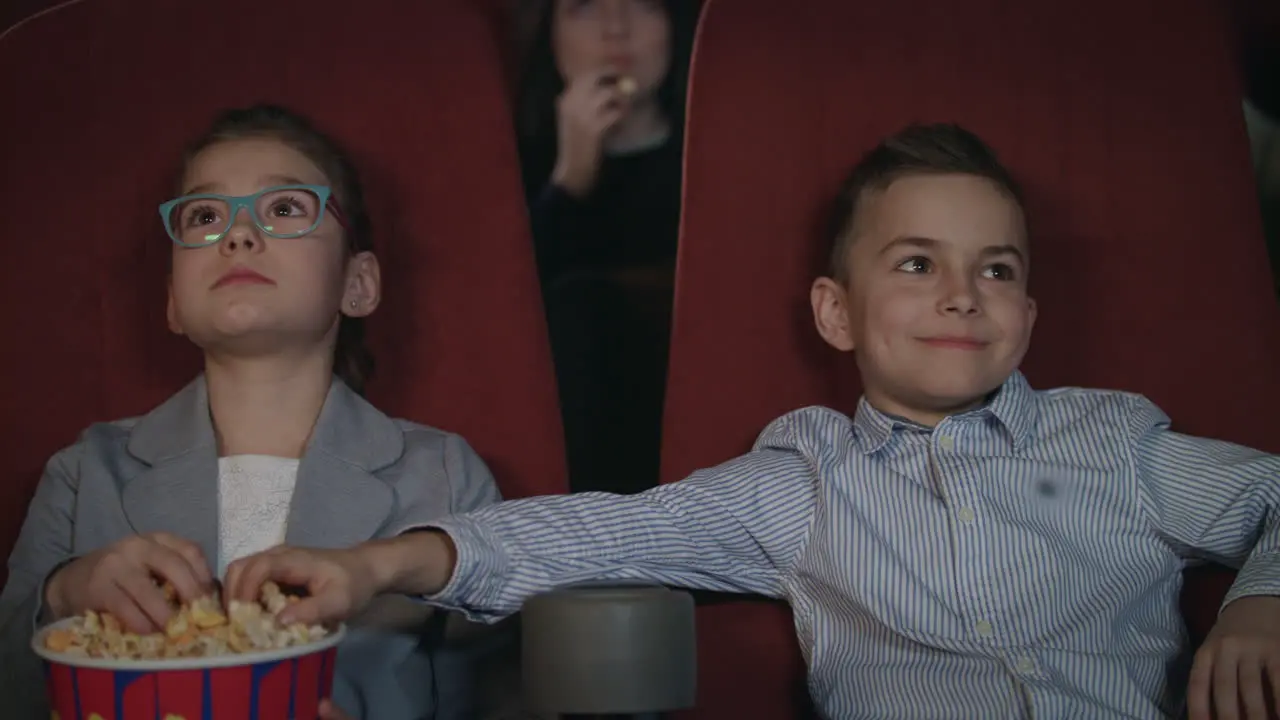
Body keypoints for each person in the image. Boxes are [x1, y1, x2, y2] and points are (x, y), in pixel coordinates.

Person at [227, 123, 1280, 720]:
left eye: (994, 270)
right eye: (915, 263)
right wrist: (377, 567)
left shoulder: (1111, 442)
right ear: (836, 311)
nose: (962, 293)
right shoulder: (800, 482)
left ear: (1027, 314)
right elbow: (598, 531)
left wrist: (1257, 610)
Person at [0, 105, 505, 720]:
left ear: (358, 284)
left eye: (286, 208)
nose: (237, 235)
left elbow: (500, 689)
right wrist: (63, 593)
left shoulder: (442, 476)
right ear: (172, 304)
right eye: (204, 216)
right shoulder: (84, 475)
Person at [516, 0, 699, 494]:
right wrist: (572, 175)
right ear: (548, 33)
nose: (615, 30)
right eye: (585, 7)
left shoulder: (718, 156)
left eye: (642, 6)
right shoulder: (501, 154)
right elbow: (505, 304)